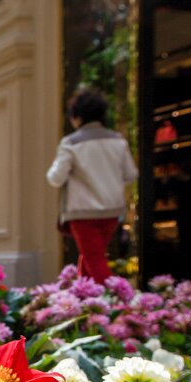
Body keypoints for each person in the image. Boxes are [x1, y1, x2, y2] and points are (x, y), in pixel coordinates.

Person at [46, 88, 137, 281]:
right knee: (92, 256)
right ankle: (84, 295)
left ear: (77, 117)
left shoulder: (71, 143)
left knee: (94, 258)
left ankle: (117, 301)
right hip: (112, 211)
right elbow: (131, 174)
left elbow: (55, 178)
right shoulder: (118, 141)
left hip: (83, 212)